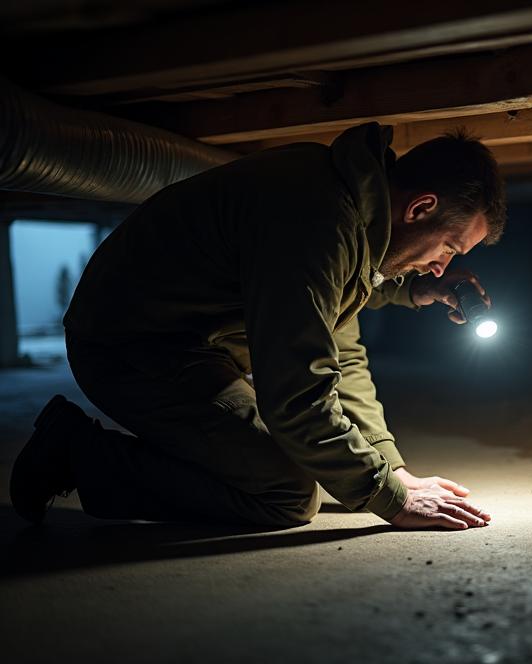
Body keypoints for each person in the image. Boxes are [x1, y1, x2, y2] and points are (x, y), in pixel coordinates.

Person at [10, 122, 505, 531]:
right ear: (420, 208)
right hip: (131, 346)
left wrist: (390, 467)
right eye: (450, 248)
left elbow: (339, 354)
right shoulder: (319, 220)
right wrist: (389, 497)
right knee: (286, 491)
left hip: (186, 343)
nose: (442, 267)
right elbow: (297, 395)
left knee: (310, 465)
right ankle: (76, 452)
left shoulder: (347, 210)